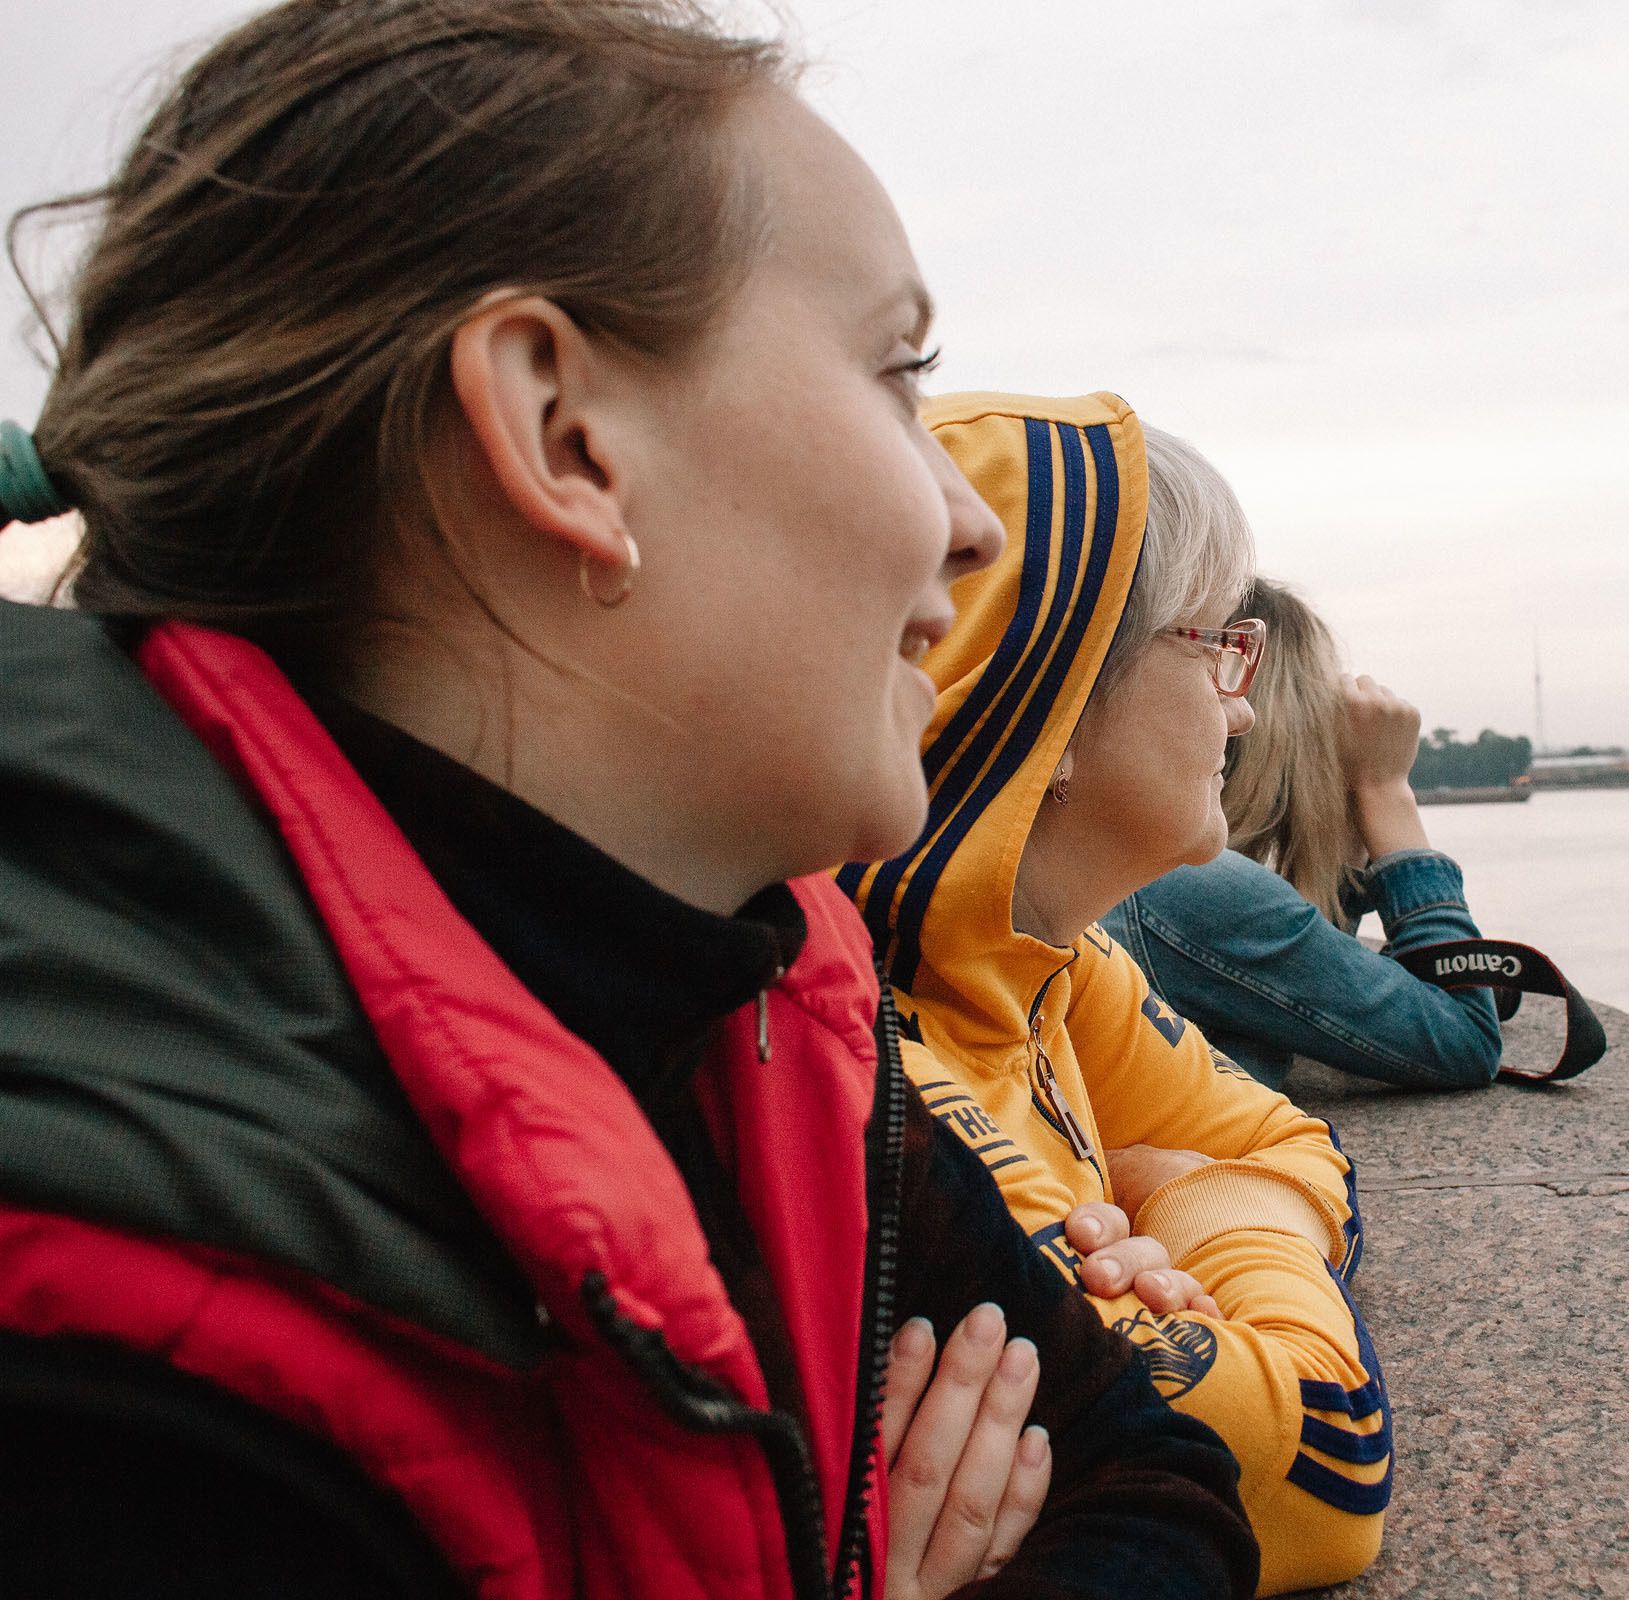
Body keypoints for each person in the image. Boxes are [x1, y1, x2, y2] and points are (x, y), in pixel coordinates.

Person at [0, 5, 1256, 1599]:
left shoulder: (757, 985)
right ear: (562, 435)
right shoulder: (116, 1371)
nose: (967, 524)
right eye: (893, 373)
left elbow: (1159, 1476)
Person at [843, 395, 1390, 1595]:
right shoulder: (881, 1053)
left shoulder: (1049, 964)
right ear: (1055, 700)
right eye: (1219, 647)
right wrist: (1202, 1197)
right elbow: (1329, 1461)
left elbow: (1306, 1149)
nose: (1241, 699)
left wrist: (1187, 1199)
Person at [1101, 579, 1503, 1092]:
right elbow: (1464, 1037)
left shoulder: (1133, 856)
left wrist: (1341, 847)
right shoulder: (1194, 881)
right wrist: (1384, 791)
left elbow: (1310, 991)